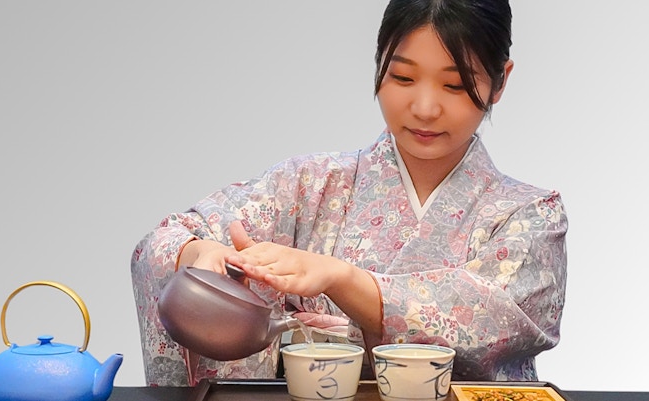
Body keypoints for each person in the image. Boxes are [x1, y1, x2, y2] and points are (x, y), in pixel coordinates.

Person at [131, 0, 568, 387]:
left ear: (500, 80)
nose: (425, 107)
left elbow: (492, 318)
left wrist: (342, 278)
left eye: (454, 85)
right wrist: (199, 255)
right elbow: (167, 239)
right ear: (379, 62)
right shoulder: (308, 185)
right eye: (402, 77)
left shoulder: (529, 216)